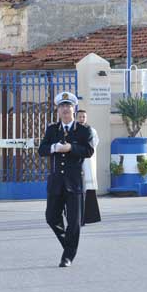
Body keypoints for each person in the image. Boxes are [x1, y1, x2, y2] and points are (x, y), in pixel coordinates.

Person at [39, 92, 94, 267]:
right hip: (56, 182)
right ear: (58, 109)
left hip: (74, 183)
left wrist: (72, 148)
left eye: (68, 106)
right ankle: (69, 246)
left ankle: (67, 257)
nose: (65, 109)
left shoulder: (84, 130)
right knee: (51, 217)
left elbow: (89, 151)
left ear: (74, 109)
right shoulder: (52, 129)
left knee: (74, 222)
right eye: (62, 106)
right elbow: (42, 149)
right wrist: (55, 147)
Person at [77, 110, 101, 226]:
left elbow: (93, 144)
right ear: (76, 117)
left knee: (88, 190)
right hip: (76, 161)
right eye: (80, 116)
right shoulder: (73, 130)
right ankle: (77, 218)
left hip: (87, 162)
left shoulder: (92, 131)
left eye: (84, 117)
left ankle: (89, 217)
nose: (82, 118)